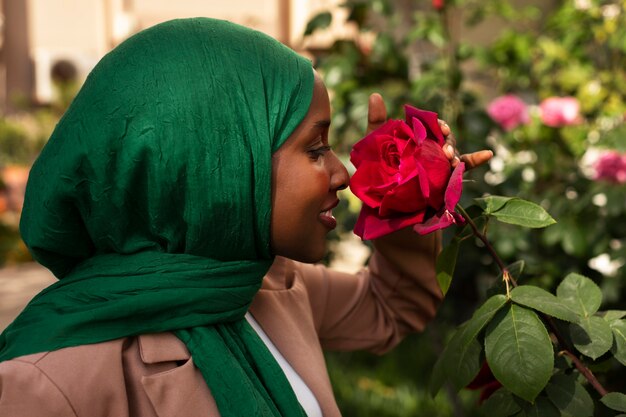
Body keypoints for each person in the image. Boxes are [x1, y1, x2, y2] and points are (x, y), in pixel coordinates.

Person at [0, 18, 491, 416]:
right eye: (316, 147)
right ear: (222, 166)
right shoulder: (43, 385)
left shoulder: (267, 285)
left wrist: (404, 187)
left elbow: (392, 307)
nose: (343, 172)